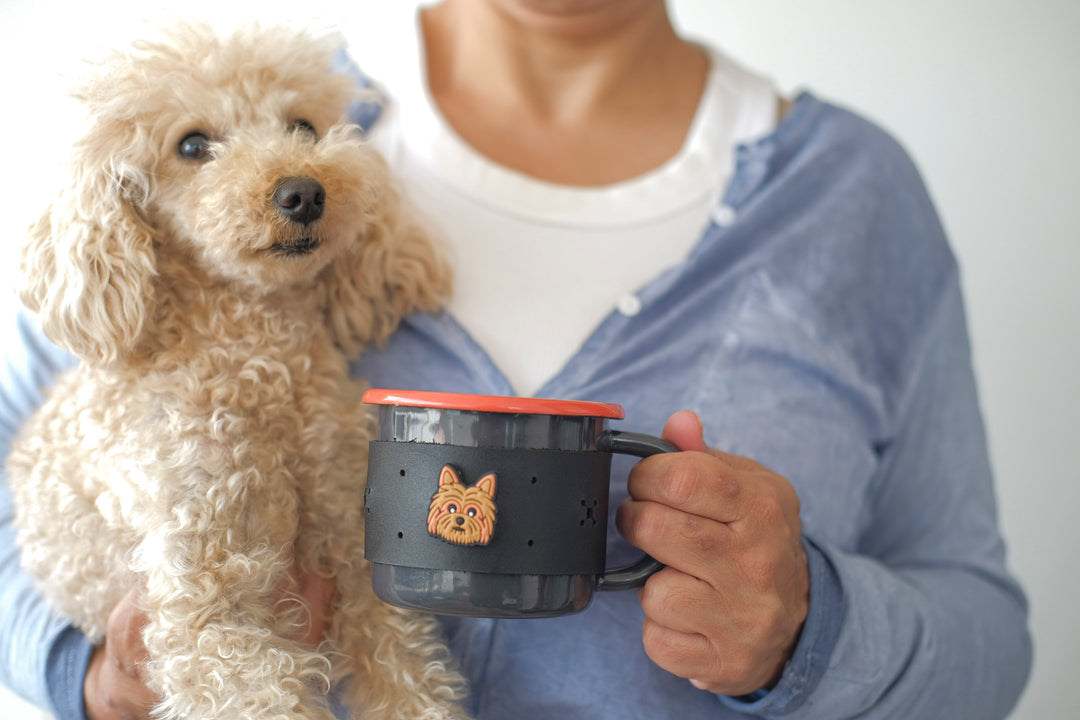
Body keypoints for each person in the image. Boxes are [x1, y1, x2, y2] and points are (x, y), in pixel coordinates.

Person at [0, 1, 1033, 718]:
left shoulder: (853, 196)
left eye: (304, 130)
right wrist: (90, 674)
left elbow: (986, 632)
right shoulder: (213, 106)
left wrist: (814, 629)